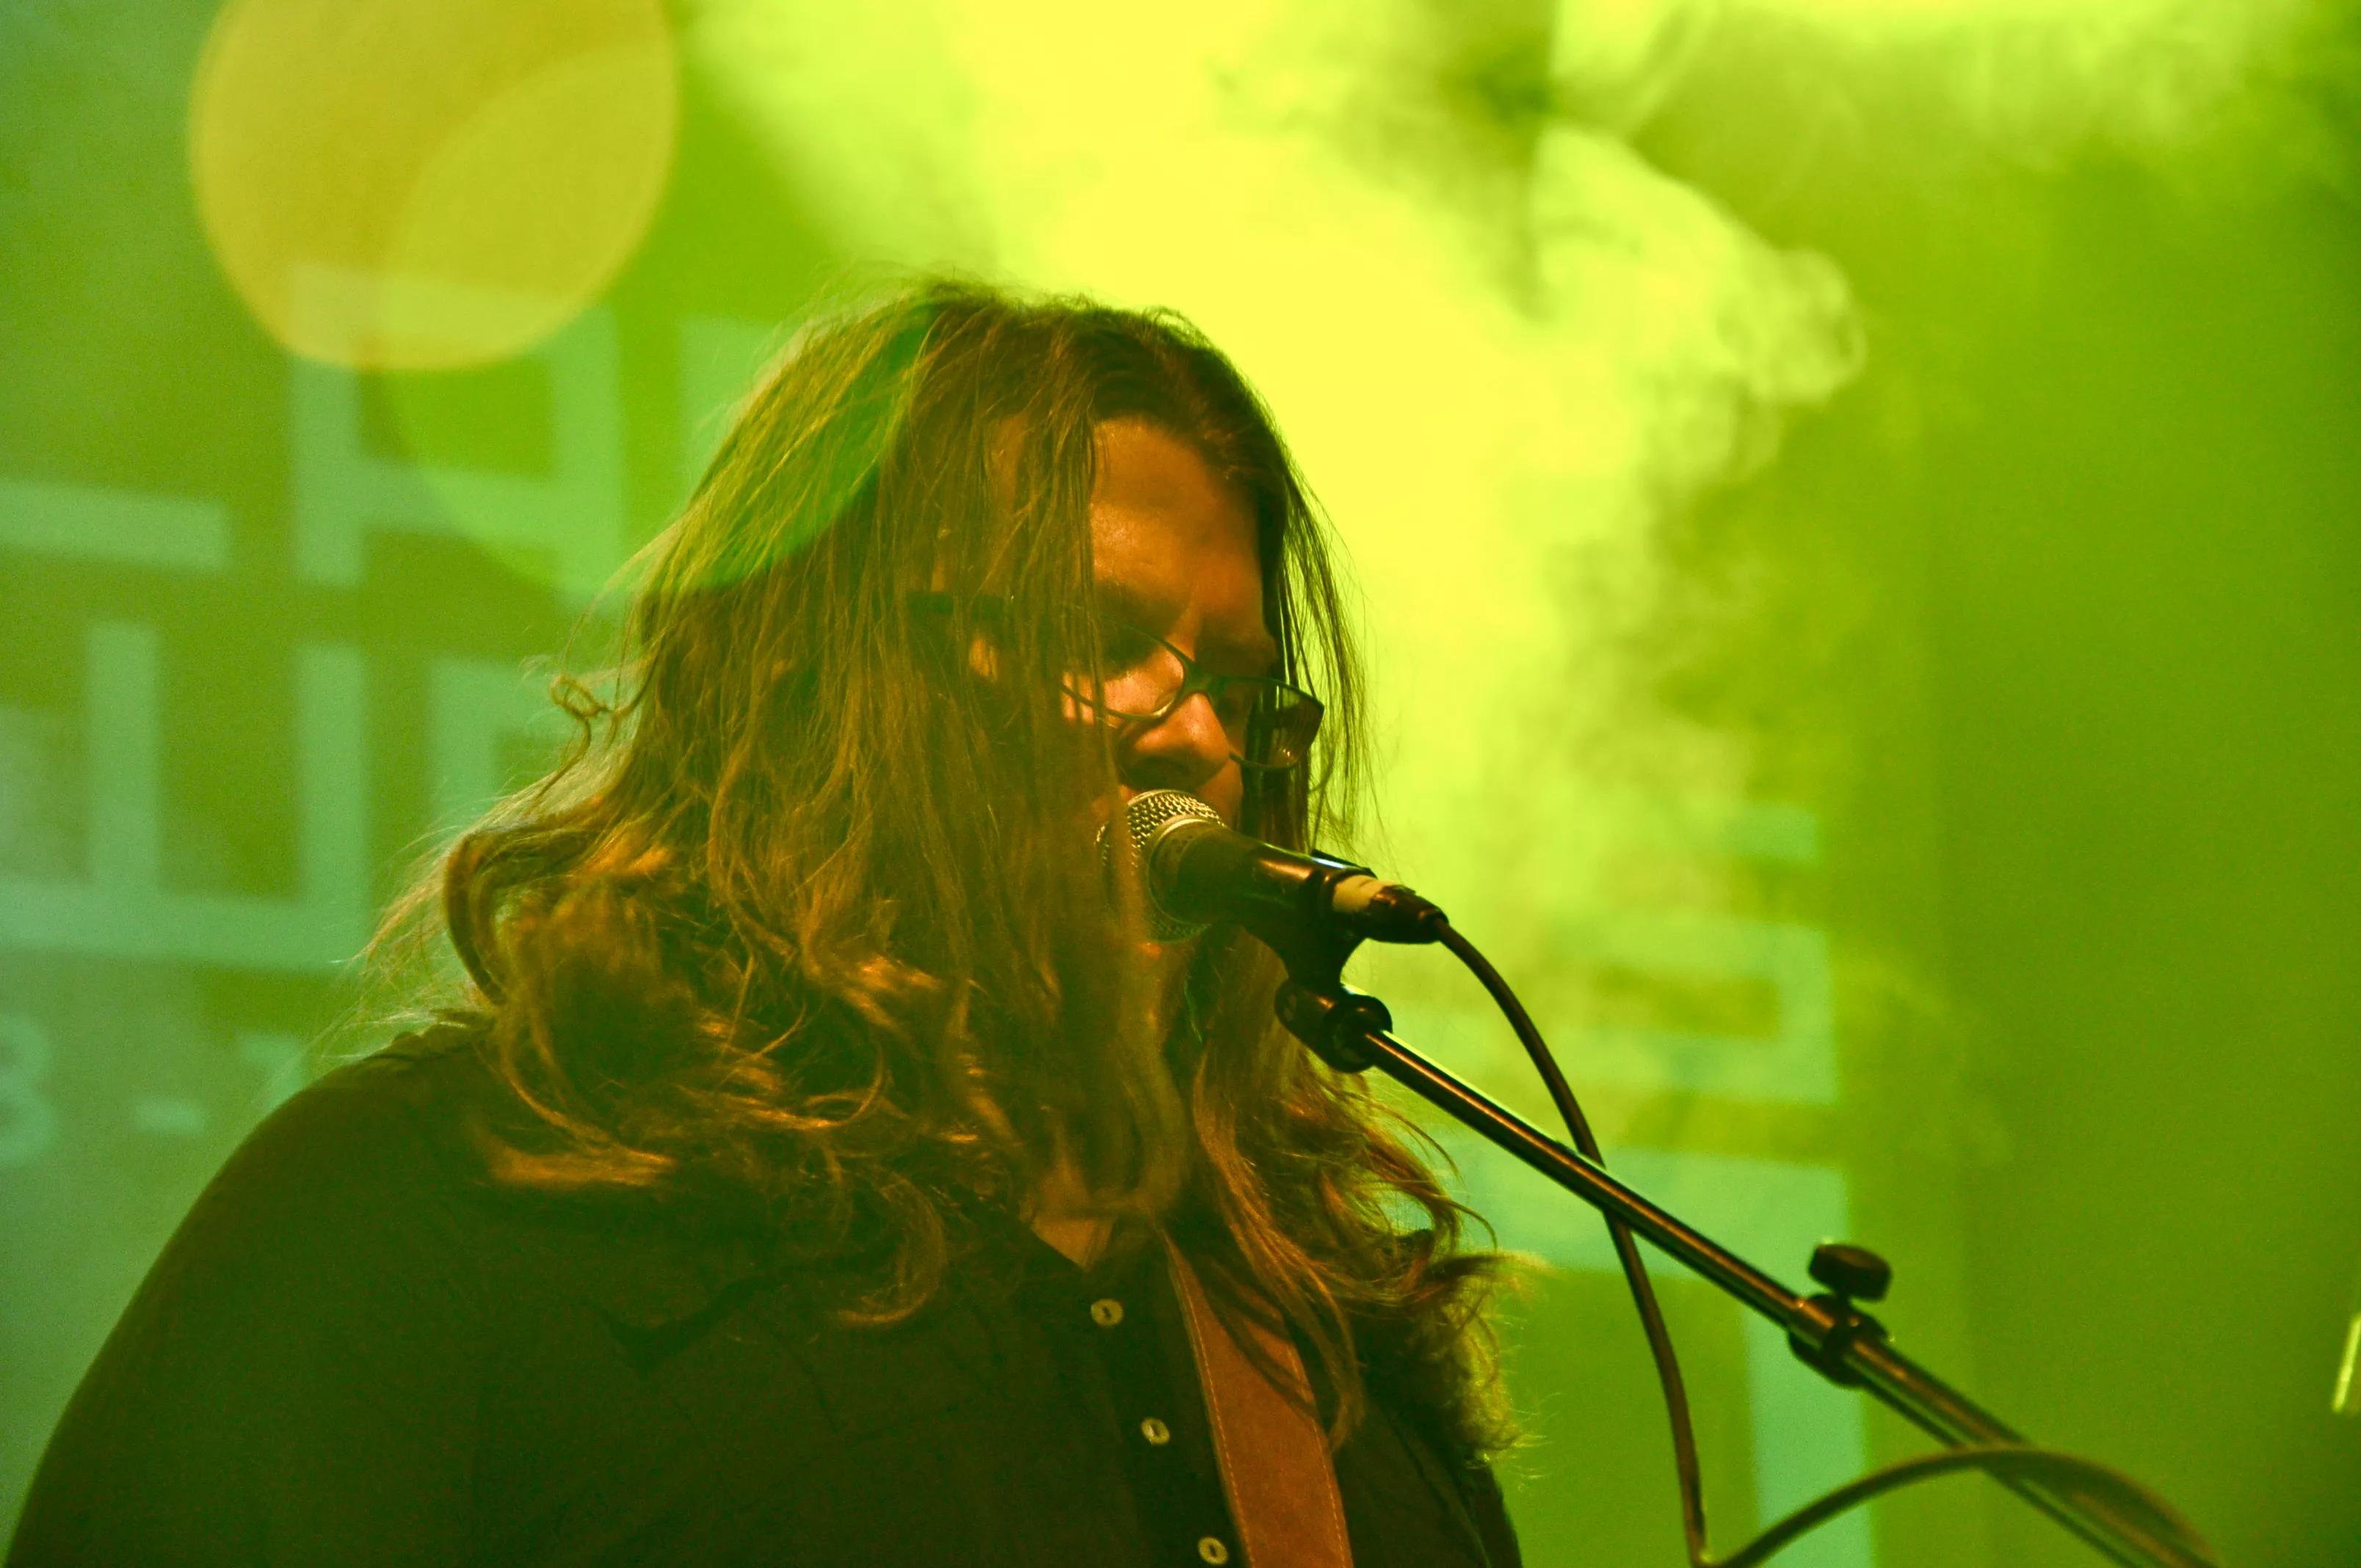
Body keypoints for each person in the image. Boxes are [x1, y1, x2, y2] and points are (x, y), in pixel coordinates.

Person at [7, 281, 1521, 1567]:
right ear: (830, 677)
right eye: (1095, 639)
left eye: (1235, 684)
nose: (1195, 736)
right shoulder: (446, 1209)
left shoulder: (1326, 1344)